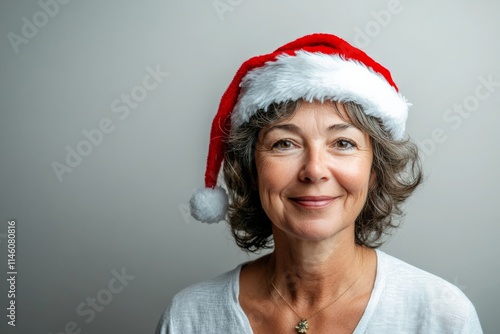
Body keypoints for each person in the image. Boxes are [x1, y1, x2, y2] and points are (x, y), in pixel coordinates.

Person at [156, 33, 483, 333]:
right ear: (251, 169)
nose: (314, 171)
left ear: (374, 171)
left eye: (343, 143)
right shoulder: (190, 317)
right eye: (285, 143)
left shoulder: (442, 315)